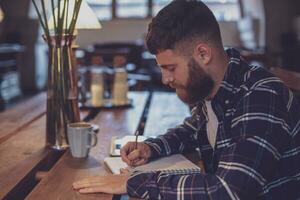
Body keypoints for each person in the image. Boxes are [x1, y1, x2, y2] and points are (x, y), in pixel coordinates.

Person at [73, 0, 300, 199]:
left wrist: (132, 182)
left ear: (203, 54)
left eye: (170, 68)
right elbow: (191, 130)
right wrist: (151, 147)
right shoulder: (214, 88)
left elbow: (228, 191)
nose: (165, 79)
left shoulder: (260, 94)